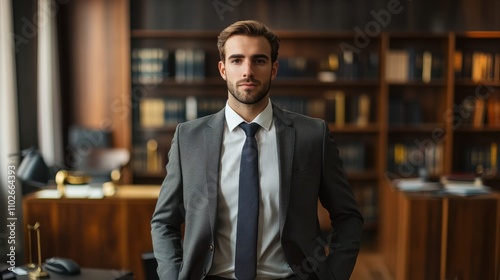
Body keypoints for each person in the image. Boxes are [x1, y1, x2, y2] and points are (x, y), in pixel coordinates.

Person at [151, 20, 363, 280]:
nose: (247, 71)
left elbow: (348, 216)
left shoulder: (312, 135)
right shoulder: (188, 138)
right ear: (223, 69)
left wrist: (333, 275)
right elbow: (164, 222)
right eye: (237, 60)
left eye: (259, 61)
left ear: (274, 69)